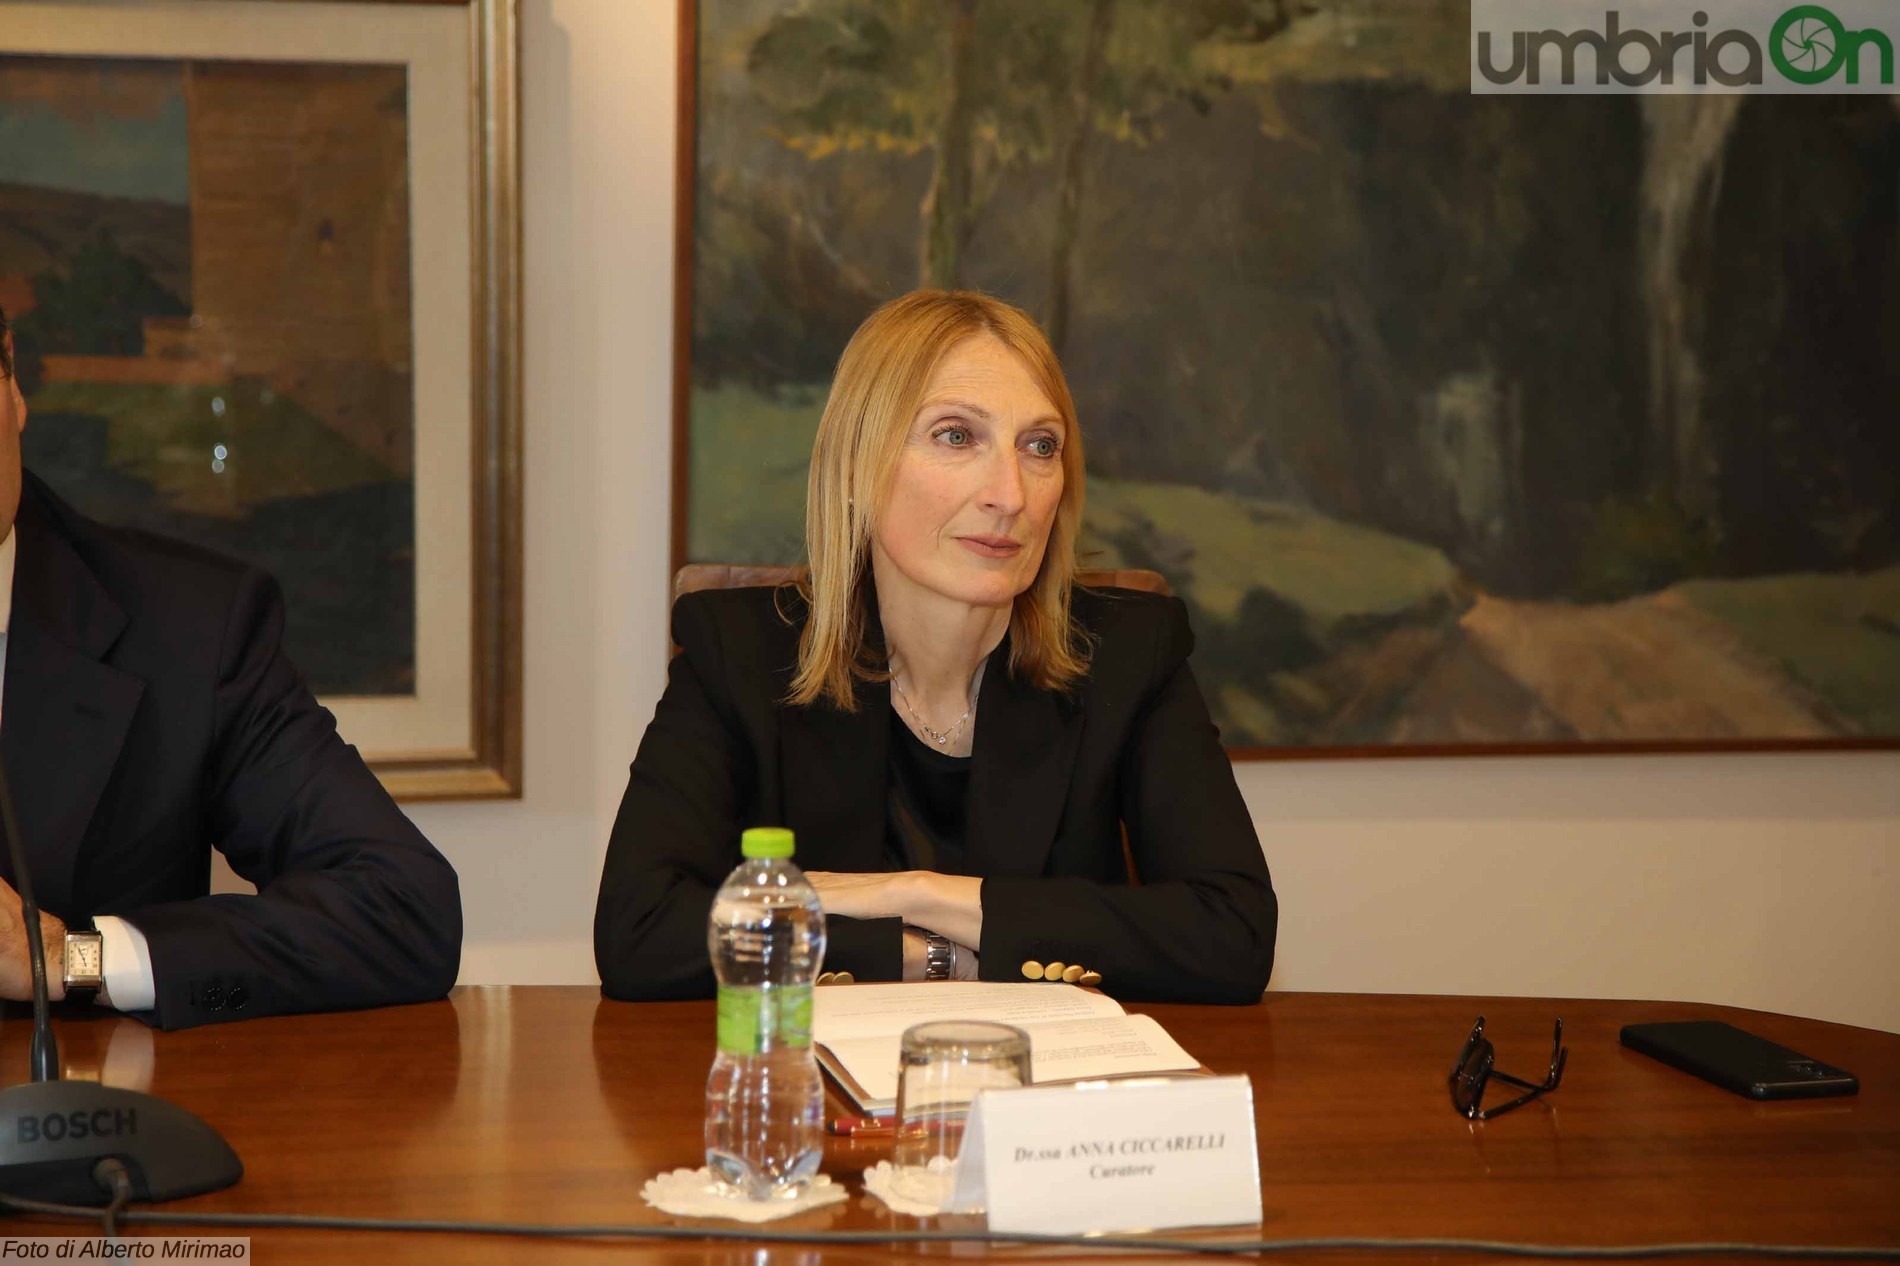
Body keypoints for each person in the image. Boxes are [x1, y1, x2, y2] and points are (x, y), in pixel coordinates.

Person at [596, 290, 1275, 1004]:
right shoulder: (737, 651)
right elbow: (642, 932)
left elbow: (1232, 934)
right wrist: (929, 955)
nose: (1011, 494)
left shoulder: (1131, 652)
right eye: (956, 436)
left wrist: (911, 893)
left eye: (1040, 446)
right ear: (857, 467)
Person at [0, 304, 461, 1029]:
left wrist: (71, 960)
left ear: (12, 383)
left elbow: (403, 913)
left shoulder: (187, 626)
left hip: (79, 1098)